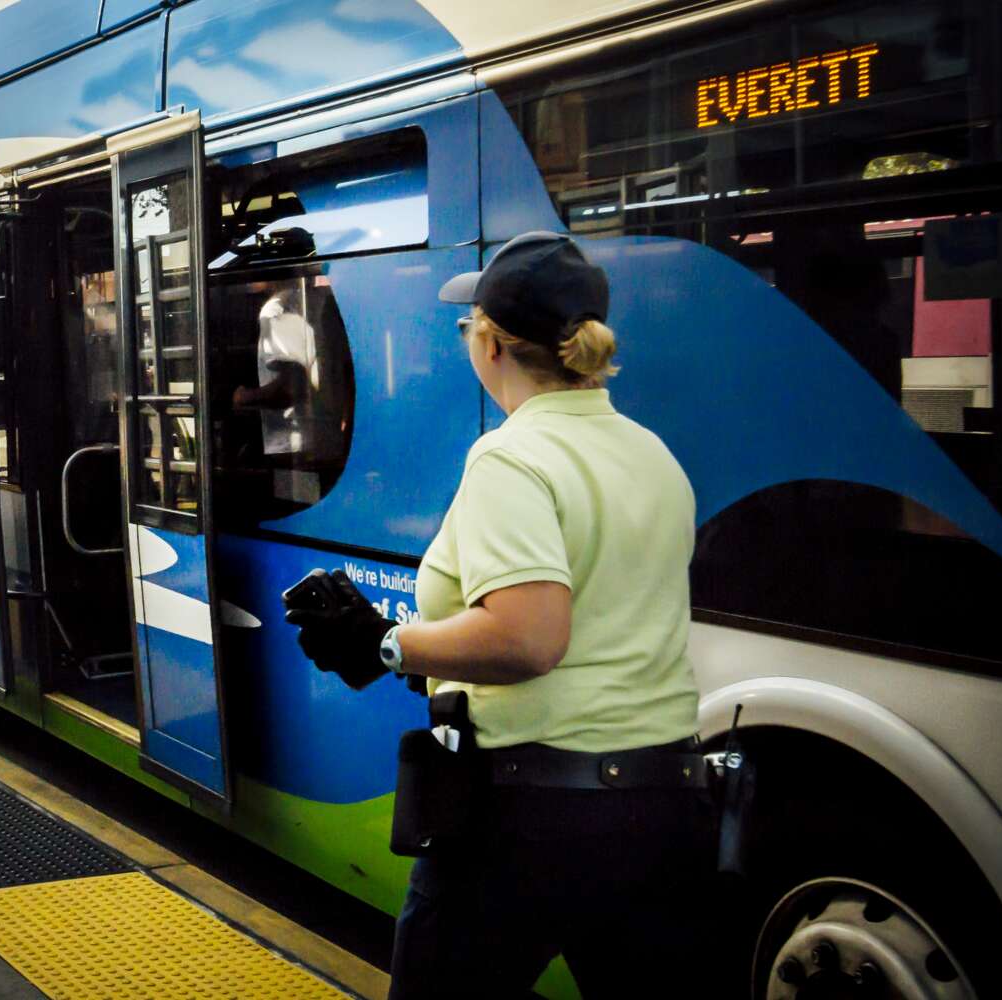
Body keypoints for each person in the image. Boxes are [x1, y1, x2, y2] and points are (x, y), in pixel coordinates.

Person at [285, 232, 713, 998]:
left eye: (466, 328)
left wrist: (386, 643)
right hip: (665, 807)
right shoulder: (654, 453)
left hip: (529, 820)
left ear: (488, 344)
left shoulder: (510, 457)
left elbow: (529, 637)